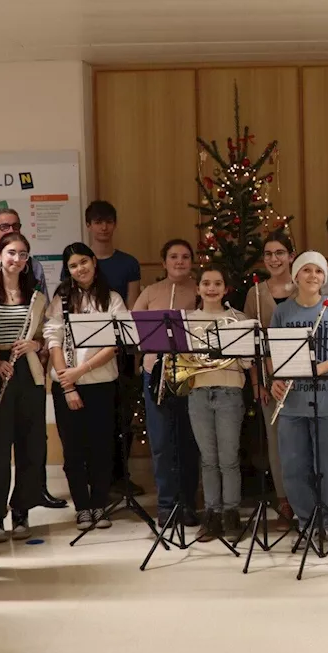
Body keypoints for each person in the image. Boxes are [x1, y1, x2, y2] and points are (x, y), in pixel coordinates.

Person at [269, 252, 328, 548]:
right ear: (295, 276)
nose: (312, 276)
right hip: (291, 402)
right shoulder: (283, 312)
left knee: (326, 466)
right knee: (293, 466)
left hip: (325, 399)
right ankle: (307, 522)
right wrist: (276, 380)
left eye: (318, 271)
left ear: (324, 277)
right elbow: (273, 356)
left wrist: (317, 369)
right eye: (305, 270)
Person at [44, 243, 124, 530]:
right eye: (73, 266)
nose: (80, 269)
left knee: (102, 448)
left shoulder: (112, 298)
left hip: (101, 383)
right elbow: (53, 339)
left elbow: (115, 342)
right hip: (67, 385)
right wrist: (68, 383)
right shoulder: (62, 297)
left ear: (93, 261)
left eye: (83, 262)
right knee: (74, 451)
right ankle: (82, 507)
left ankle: (100, 505)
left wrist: (81, 370)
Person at [0, 232, 49, 543]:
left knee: (30, 446)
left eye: (23, 254)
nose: (17, 259)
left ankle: (22, 510)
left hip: (28, 372)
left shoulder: (36, 296)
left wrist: (36, 343)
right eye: (11, 252)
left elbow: (48, 333)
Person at [185, 267, 259, 542]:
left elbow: (246, 362)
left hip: (229, 392)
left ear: (226, 288)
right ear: (198, 288)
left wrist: (240, 345)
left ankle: (231, 514)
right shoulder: (188, 321)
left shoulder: (238, 319)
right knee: (208, 459)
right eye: (206, 283)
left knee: (228, 459)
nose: (211, 288)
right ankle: (212, 514)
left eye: (218, 283)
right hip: (199, 392)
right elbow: (183, 361)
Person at [132, 239, 202, 528]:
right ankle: (165, 505)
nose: (179, 262)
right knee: (161, 442)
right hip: (155, 373)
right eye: (173, 256)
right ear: (164, 262)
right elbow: (133, 331)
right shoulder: (150, 292)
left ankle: (187, 503)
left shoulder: (200, 290)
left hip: (188, 374)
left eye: (185, 257)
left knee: (187, 442)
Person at [76, 200, 144, 500]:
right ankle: (93, 477)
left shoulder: (128, 262)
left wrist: (122, 344)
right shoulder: (81, 261)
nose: (103, 227)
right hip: (86, 354)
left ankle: (120, 476)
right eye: (98, 222)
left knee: (123, 415)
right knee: (92, 418)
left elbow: (131, 307)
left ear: (114, 225)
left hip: (122, 350)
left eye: (108, 221)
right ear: (89, 225)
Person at [243, 231, 297, 519]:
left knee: (303, 441)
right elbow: (251, 344)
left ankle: (305, 497)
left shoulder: (304, 286)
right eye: (268, 254)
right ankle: (283, 499)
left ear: (291, 255)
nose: (274, 259)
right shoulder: (256, 293)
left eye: (280, 253)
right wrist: (257, 383)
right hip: (269, 380)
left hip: (302, 380)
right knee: (276, 442)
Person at [0, 207, 47, 288]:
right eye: (4, 227)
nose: (11, 231)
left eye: (15, 226)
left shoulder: (34, 266)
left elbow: (43, 299)